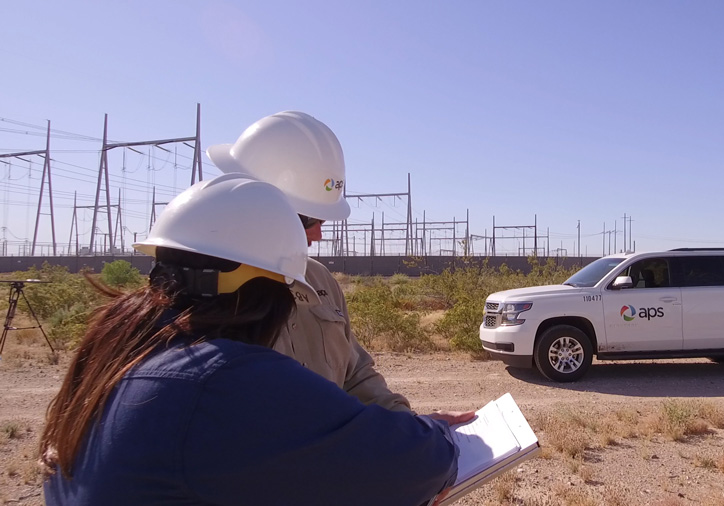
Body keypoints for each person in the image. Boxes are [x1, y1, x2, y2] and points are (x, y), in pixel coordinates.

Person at [40, 173, 459, 506]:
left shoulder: (119, 349)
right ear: (264, 295)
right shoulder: (224, 379)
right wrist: (433, 435)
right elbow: (416, 465)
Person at [208, 111, 472, 424]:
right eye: (310, 220)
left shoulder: (319, 279)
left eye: (321, 221)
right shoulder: (204, 292)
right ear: (260, 207)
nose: (318, 235)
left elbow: (356, 374)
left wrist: (411, 429)